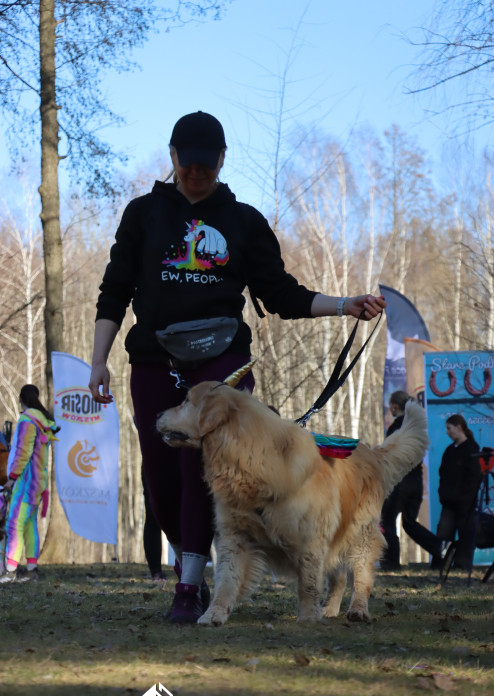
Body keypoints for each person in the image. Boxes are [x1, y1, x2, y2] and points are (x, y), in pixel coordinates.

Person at [88, 110, 386, 624]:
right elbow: (114, 290)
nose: (197, 173)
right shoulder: (143, 214)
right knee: (161, 478)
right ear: (172, 156)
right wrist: (98, 362)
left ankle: (190, 587)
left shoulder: (244, 220)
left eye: (207, 165)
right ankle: (187, 558)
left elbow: (281, 293)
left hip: (222, 361)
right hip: (155, 360)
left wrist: (345, 305)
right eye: (188, 164)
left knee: (206, 472)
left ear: (222, 160)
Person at [0, 384, 59, 583]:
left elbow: (23, 453)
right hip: (38, 482)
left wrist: (12, 478)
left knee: (13, 524)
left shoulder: (27, 421)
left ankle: (10, 571)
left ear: (21, 399)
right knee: (29, 524)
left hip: (25, 483)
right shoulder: (43, 421)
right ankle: (32, 570)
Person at [379, 391, 424, 570]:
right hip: (416, 481)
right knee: (410, 523)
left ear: (394, 406)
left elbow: (390, 454)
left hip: (399, 482)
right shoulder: (414, 427)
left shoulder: (397, 427)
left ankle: (390, 562)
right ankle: (439, 548)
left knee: (387, 520)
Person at [436, 414, 482, 570]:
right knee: (443, 536)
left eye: (449, 428)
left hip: (465, 504)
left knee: (465, 535)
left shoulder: (472, 448)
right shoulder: (449, 450)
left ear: (459, 427)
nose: (447, 432)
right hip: (448, 503)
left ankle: (462, 566)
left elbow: (474, 476)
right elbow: (442, 473)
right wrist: (443, 493)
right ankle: (440, 565)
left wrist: (466, 497)